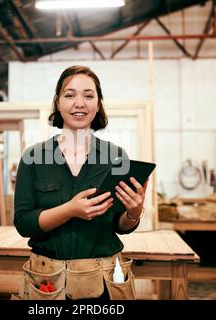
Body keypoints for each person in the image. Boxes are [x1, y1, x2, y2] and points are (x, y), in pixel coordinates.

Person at [14, 66, 149, 300]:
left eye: (88, 95)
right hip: (47, 280)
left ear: (98, 103)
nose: (79, 103)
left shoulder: (116, 157)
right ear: (58, 102)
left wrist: (134, 213)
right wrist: (70, 210)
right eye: (70, 95)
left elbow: (120, 225)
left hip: (104, 279)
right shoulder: (33, 157)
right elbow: (24, 224)